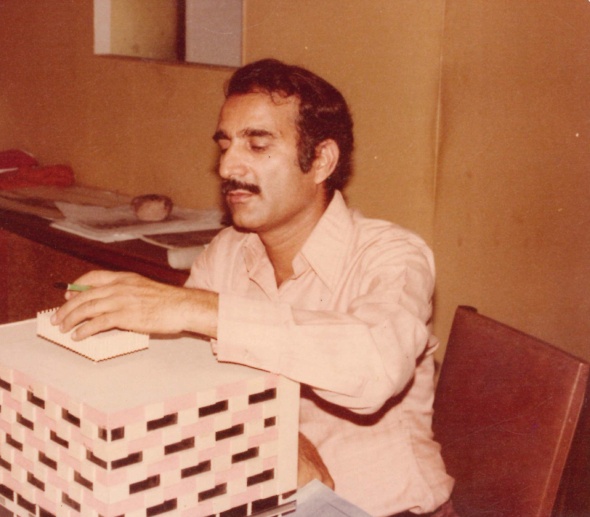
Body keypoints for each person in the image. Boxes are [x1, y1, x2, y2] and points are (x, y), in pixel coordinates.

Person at [52, 59, 456, 517]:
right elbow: (186, 382)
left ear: (321, 161)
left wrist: (194, 308)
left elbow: (373, 369)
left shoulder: (393, 255)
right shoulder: (229, 251)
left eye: (257, 145)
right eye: (225, 145)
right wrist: (283, 436)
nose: (228, 166)